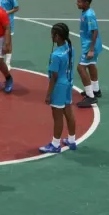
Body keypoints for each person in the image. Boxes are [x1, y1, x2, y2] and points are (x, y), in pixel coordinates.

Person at [39, 23, 77, 154]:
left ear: (58, 36)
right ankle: (71, 140)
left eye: (52, 34)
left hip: (59, 87)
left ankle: (55, 144)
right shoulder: (70, 47)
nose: (51, 37)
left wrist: (48, 95)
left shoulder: (56, 55)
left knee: (57, 117)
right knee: (68, 112)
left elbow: (54, 77)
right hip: (68, 83)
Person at [76, 0, 102, 108]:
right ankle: (96, 90)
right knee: (91, 65)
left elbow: (94, 31)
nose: (77, 3)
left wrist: (91, 49)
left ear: (86, 3)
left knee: (80, 68)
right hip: (91, 45)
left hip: (90, 46)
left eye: (79, 1)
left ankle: (91, 96)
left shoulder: (89, 15)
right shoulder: (86, 12)